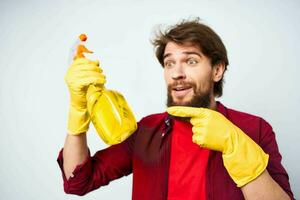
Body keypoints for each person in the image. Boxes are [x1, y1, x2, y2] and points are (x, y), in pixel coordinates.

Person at [57, 18, 295, 200]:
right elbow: (78, 182)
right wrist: (78, 109)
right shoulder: (146, 131)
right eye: (169, 63)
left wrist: (237, 146)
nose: (176, 73)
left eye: (190, 61)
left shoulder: (254, 129)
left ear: (217, 70)